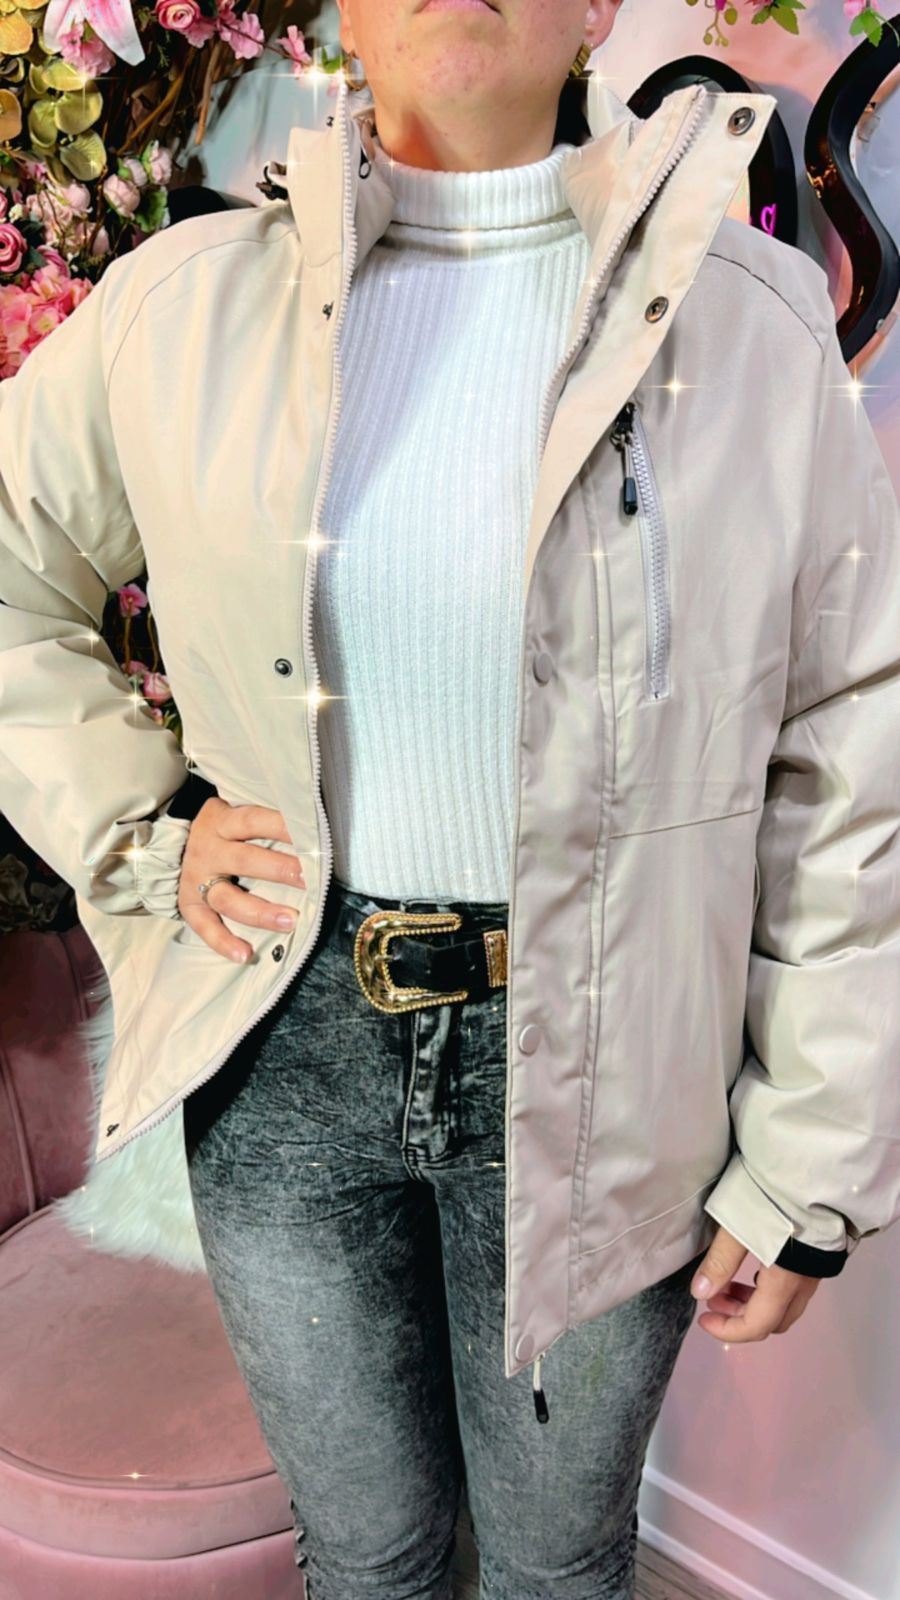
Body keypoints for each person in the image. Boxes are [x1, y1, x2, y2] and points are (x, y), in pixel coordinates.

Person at [1, 0, 899, 1596]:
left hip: (613, 1067)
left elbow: (850, 757)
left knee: (557, 1563)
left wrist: (811, 1162)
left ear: (600, 7)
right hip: (283, 1052)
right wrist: (141, 831)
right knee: (367, 1554)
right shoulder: (180, 307)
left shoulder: (752, 325)